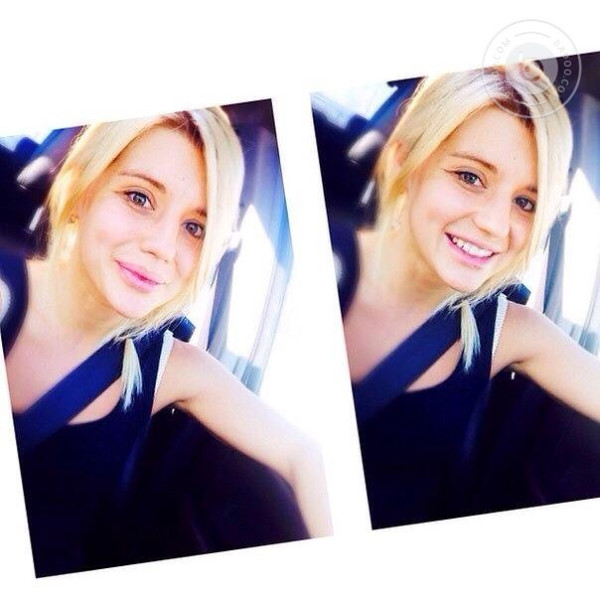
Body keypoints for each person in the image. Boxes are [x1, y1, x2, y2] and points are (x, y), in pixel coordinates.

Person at [0, 108, 332, 576]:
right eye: (139, 197)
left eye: (194, 227)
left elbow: (304, 456)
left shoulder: (171, 367)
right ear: (82, 188)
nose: (163, 246)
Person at [330, 62, 600, 529]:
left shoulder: (507, 329)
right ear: (403, 162)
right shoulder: (323, 262)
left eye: (525, 202)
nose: (496, 224)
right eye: (470, 177)